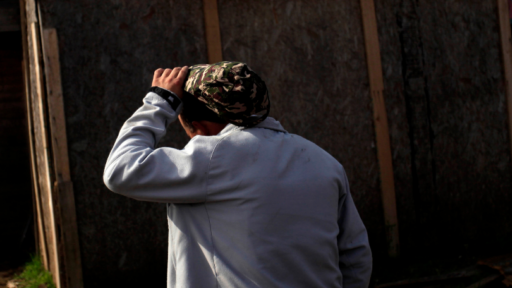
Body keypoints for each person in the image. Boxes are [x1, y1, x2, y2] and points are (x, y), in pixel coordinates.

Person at [104, 61, 372, 288]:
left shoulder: (210, 158)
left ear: (201, 126)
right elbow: (356, 256)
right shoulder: (324, 162)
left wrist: (159, 102)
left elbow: (119, 170)